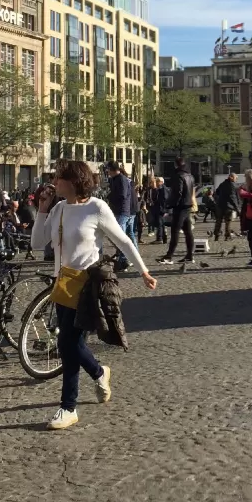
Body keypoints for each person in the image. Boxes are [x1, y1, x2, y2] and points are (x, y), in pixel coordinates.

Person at [31, 160, 157, 430]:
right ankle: (100, 372)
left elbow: (122, 240)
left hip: (87, 286)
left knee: (67, 343)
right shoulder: (59, 209)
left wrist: (143, 271)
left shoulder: (96, 208)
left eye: (59, 178)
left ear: (73, 181)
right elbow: (37, 243)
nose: (54, 182)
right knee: (72, 344)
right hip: (63, 284)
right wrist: (41, 210)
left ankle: (68, 407)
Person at [158, 156, 195, 265]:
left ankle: (169, 256)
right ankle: (189, 255)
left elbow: (177, 192)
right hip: (188, 205)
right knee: (188, 231)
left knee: (175, 231)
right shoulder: (190, 176)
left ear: (176, 165)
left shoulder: (178, 176)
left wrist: (170, 204)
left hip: (180, 206)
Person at [213, 173, 240, 242]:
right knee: (228, 222)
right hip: (228, 207)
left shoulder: (222, 184)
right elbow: (233, 198)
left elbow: (217, 192)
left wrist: (220, 198)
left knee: (218, 221)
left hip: (220, 205)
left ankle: (217, 236)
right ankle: (227, 236)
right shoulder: (233, 185)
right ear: (231, 177)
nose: (236, 180)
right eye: (235, 178)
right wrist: (237, 208)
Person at [150, 176, 169, 245]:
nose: (156, 183)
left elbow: (164, 200)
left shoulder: (163, 189)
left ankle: (159, 238)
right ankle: (163, 238)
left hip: (161, 209)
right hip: (160, 209)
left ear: (161, 182)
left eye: (157, 181)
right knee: (161, 224)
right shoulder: (160, 189)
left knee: (160, 224)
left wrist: (164, 210)